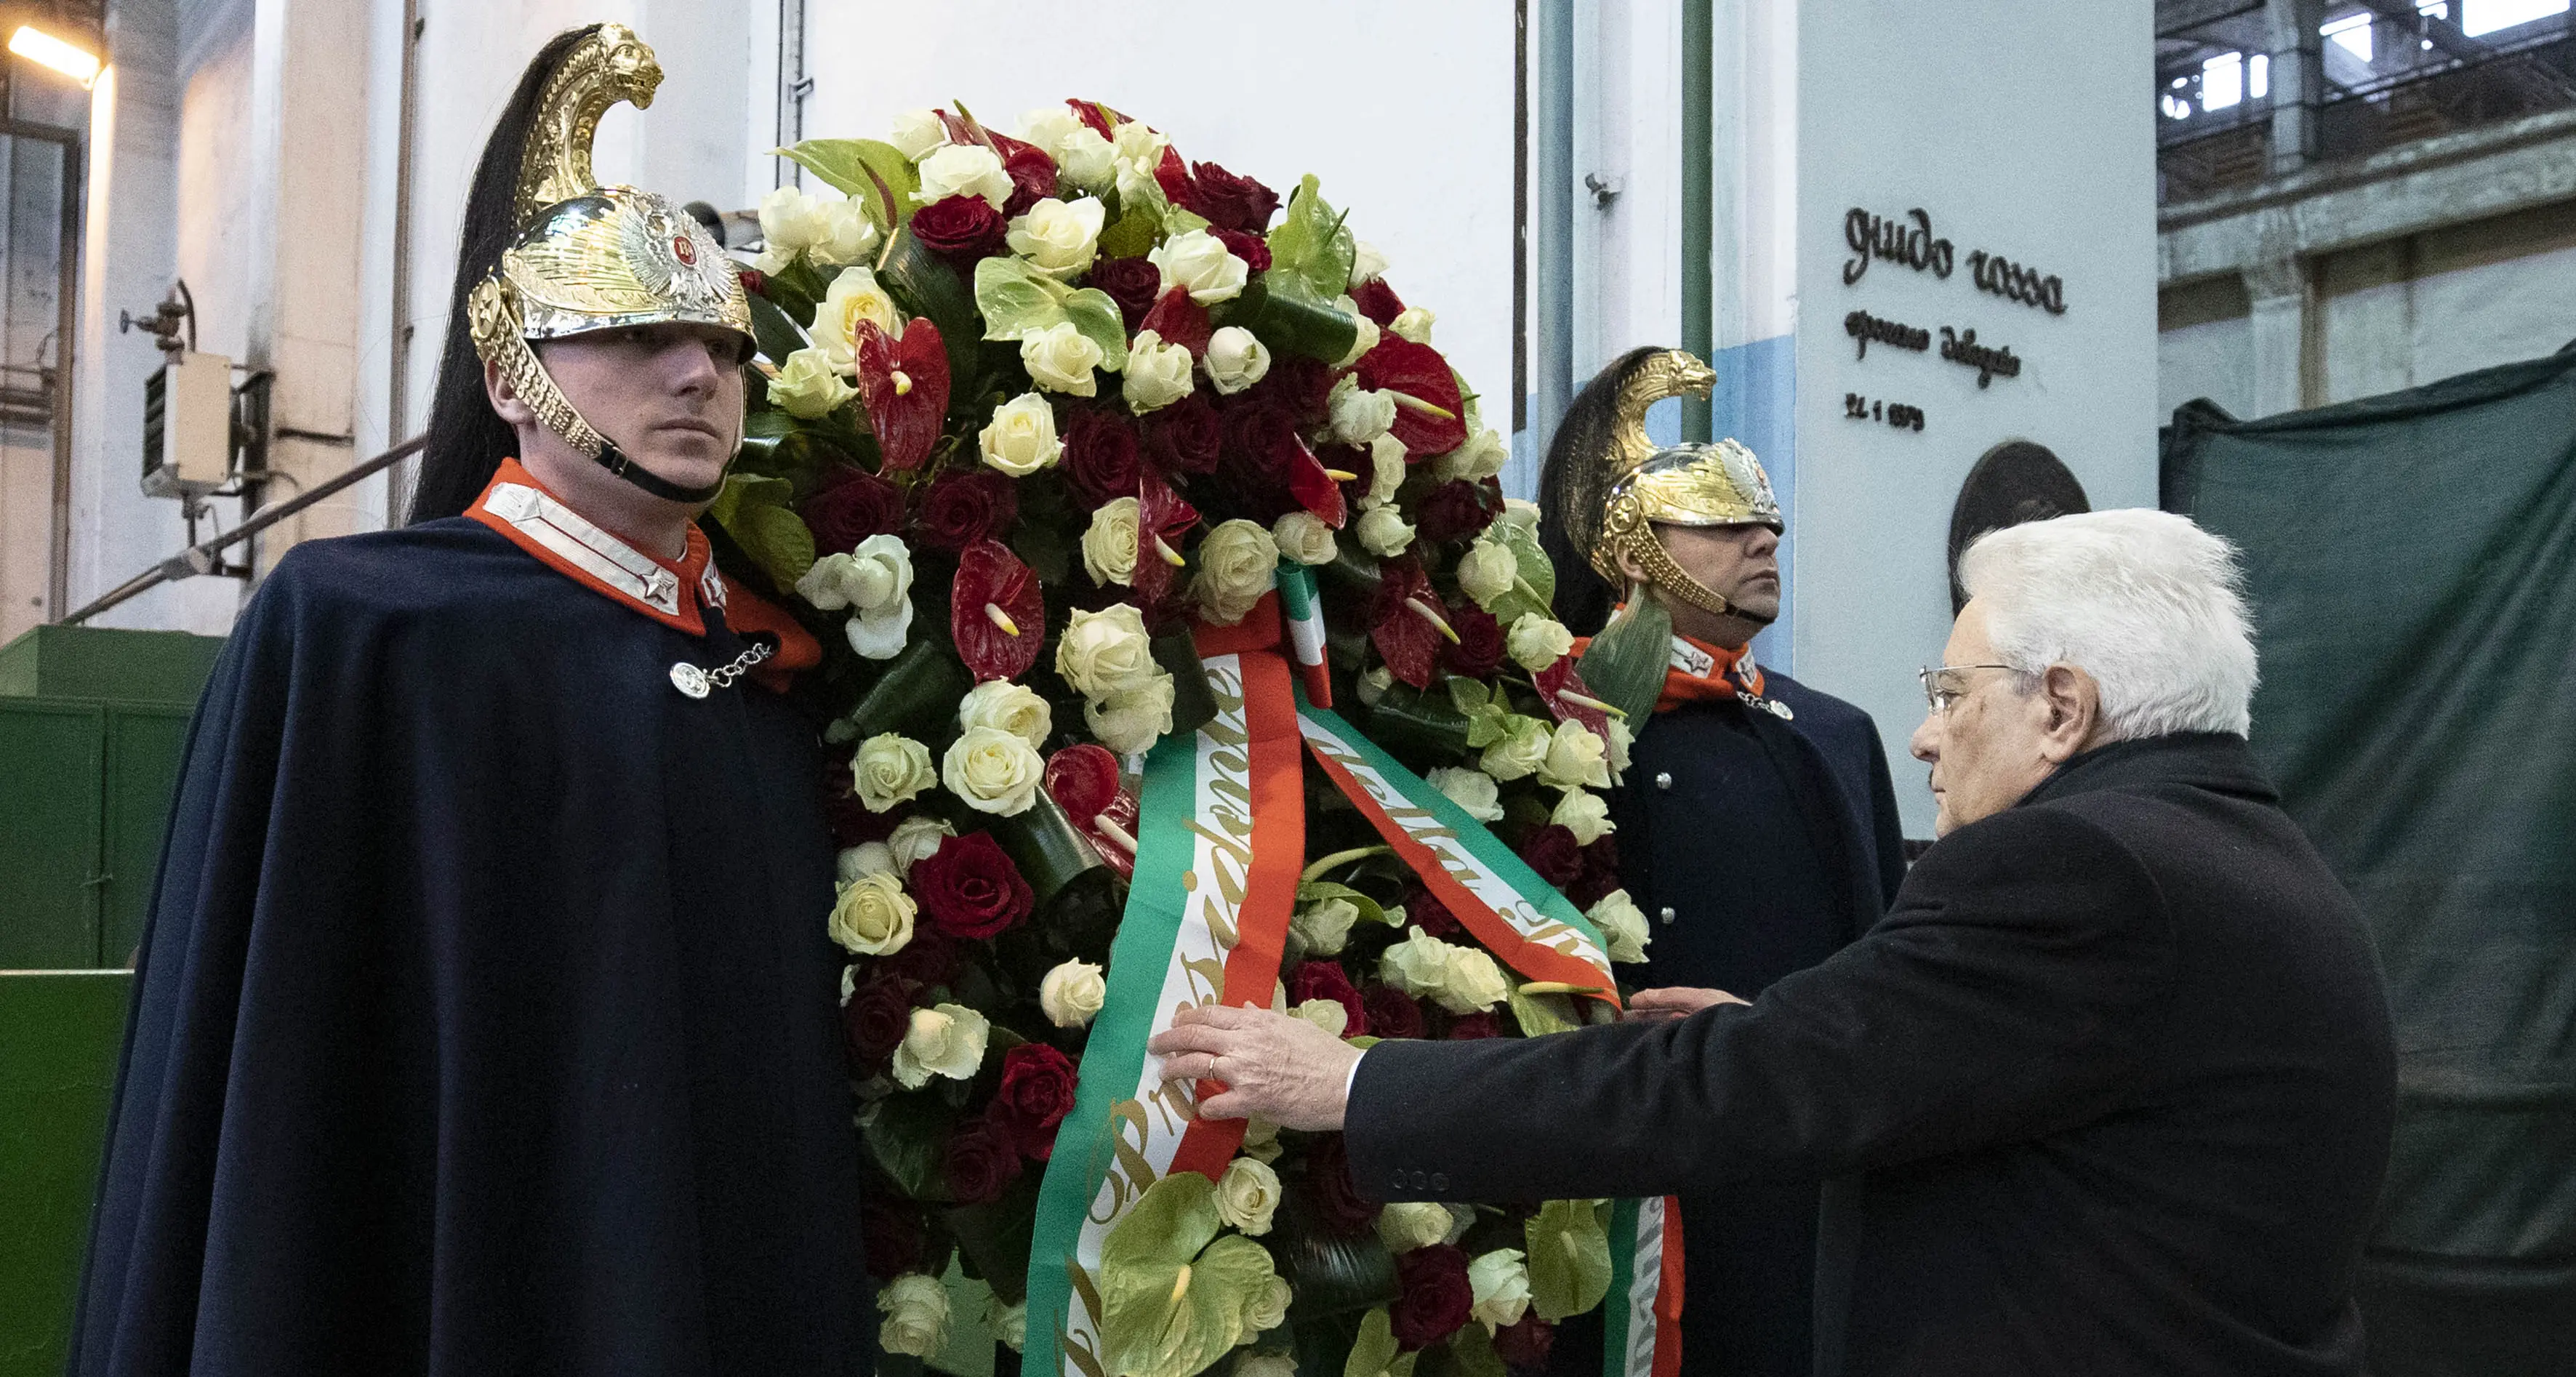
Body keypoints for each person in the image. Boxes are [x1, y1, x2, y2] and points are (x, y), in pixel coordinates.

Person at [71, 26, 872, 1375]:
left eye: (722, 347)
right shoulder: (364, 631)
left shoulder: (772, 671)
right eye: (634, 333)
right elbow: (282, 1073)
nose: (697, 375)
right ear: (509, 377)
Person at [1152, 509, 2398, 1377]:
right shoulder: (2250, 856)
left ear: (2062, 706)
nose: (1923, 735)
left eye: (1951, 694)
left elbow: (1740, 1089)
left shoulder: (2075, 865)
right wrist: (1785, 1035)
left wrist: (1358, 1083)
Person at [1536, 349, 1906, 1377]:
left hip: (1776, 1162)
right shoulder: (1548, 717)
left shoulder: (1834, 734)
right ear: (1630, 543)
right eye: (1720, 519)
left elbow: (1878, 969)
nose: (1764, 539)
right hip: (1596, 1142)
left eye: (1769, 521)